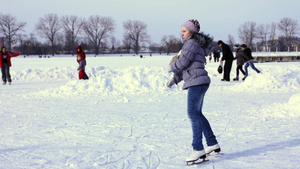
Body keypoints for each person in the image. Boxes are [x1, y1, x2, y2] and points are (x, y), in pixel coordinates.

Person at [166, 19, 220, 165]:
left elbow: (182, 63)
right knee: (198, 114)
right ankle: (212, 143)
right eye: (181, 31)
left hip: (197, 83)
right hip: (200, 81)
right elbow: (188, 68)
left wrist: (171, 66)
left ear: (192, 32)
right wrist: (174, 80)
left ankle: (198, 149)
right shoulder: (196, 44)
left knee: (192, 113)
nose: (182, 34)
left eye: (184, 31)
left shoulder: (191, 43)